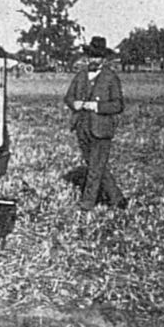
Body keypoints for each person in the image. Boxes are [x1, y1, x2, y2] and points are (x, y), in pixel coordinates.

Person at [63, 36, 127, 210]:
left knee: (94, 169)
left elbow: (118, 104)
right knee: (95, 166)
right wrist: (73, 103)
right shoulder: (80, 75)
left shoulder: (111, 78)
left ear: (103, 59)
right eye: (90, 56)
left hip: (101, 128)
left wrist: (97, 106)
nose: (93, 60)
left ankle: (87, 204)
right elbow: (68, 97)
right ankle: (117, 198)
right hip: (82, 127)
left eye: (97, 56)